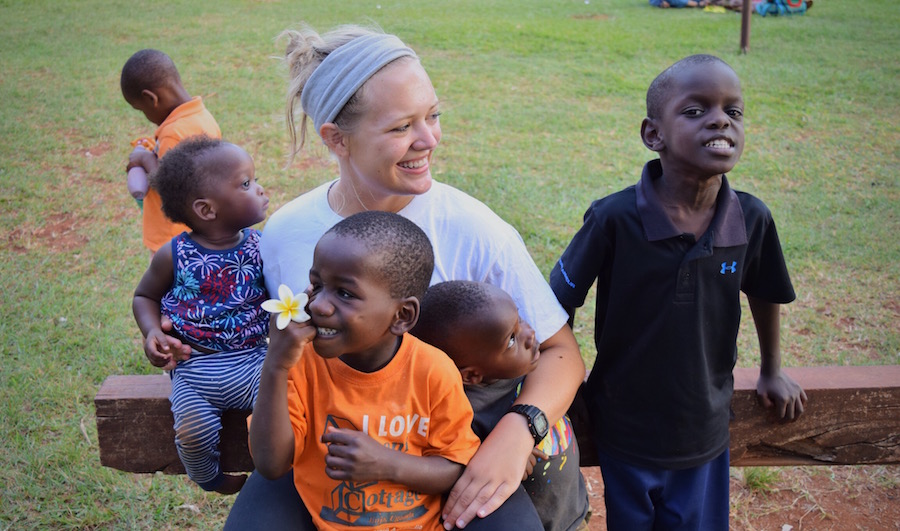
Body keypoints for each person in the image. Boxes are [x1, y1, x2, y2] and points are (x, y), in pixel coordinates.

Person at [223, 23, 585, 531]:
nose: (429, 138)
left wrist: (518, 430)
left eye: (432, 116)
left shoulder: (472, 228)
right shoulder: (289, 233)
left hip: (447, 444)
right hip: (327, 448)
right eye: (400, 127)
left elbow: (562, 354)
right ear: (336, 138)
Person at [549, 54, 808, 530]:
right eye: (695, 111)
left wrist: (772, 368)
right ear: (654, 135)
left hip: (704, 429)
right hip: (622, 425)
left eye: (734, 111)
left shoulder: (751, 218)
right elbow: (557, 303)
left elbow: (766, 290)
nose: (720, 120)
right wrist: (561, 384)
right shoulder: (615, 218)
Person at [250, 210, 483, 530]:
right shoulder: (300, 363)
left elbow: (453, 468)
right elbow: (271, 464)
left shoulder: (433, 371)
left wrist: (388, 464)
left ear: (402, 315)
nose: (318, 305)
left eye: (345, 293)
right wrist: (275, 365)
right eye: (317, 285)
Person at [132, 136, 269, 495]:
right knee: (192, 434)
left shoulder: (263, 247)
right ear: (207, 210)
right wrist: (151, 333)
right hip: (194, 369)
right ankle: (209, 478)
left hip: (256, 362)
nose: (260, 189)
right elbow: (145, 295)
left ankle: (278, 474)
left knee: (285, 412)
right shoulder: (173, 254)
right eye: (246, 183)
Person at [411, 280, 591, 531]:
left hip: (572, 513)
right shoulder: (464, 415)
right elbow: (463, 469)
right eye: (511, 340)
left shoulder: (528, 367)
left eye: (520, 320)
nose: (529, 335)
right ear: (472, 375)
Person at [120, 49, 222, 254]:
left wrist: (143, 157)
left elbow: (168, 184)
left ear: (151, 99)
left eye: (141, 109)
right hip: (197, 233)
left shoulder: (173, 132)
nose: (145, 115)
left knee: (163, 285)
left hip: (171, 238)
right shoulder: (202, 116)